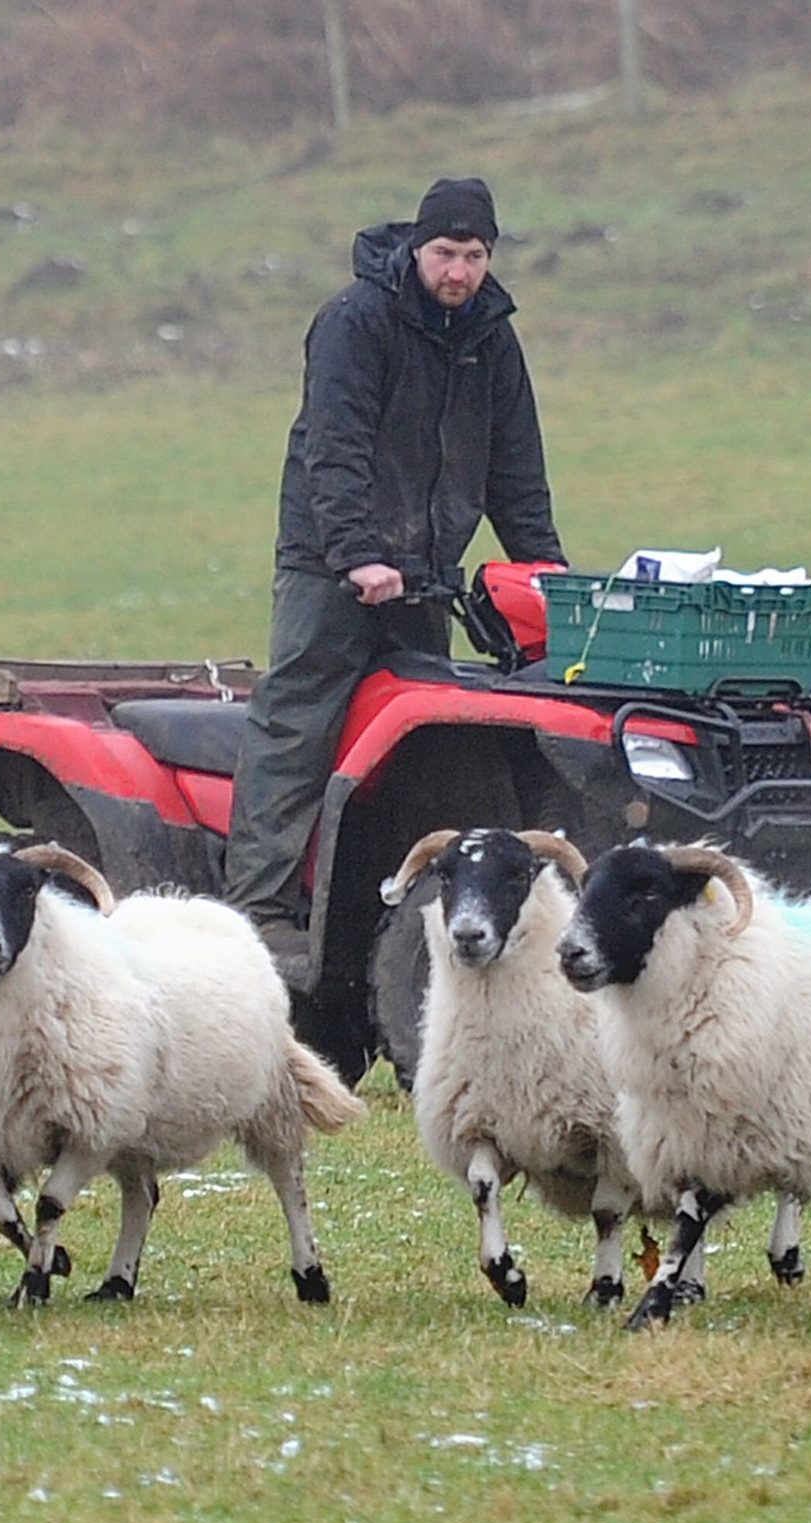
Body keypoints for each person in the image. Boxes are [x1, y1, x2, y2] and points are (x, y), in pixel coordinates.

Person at [221, 175, 565, 973]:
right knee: (298, 721)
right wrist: (355, 555)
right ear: (417, 247)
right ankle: (259, 909)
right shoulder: (355, 321)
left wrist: (545, 573)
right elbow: (331, 448)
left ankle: (389, 907)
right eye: (446, 253)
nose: (459, 272)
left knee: (424, 743)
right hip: (329, 563)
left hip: (424, 575)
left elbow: (517, 472)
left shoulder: (491, 340)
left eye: (475, 256)